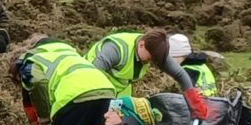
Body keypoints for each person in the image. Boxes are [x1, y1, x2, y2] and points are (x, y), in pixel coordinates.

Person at [89, 27, 217, 101]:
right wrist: (103, 103)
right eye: (150, 58)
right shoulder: (116, 50)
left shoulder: (155, 50)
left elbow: (179, 73)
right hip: (92, 86)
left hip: (120, 91)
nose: (150, 62)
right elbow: (93, 75)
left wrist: (192, 96)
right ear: (141, 45)